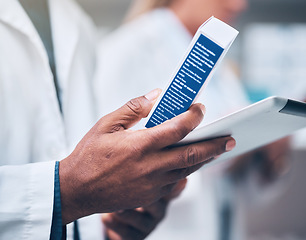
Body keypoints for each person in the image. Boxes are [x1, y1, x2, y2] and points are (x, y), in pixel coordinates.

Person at [0, 0, 235, 239]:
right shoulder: (125, 46)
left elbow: (86, 156)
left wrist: (114, 220)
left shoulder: (76, 24)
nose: (240, 5)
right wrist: (67, 193)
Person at [94, 0, 249, 239]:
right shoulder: (127, 49)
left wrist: (261, 151)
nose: (238, 5)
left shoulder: (222, 67)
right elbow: (103, 165)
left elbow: (236, 185)